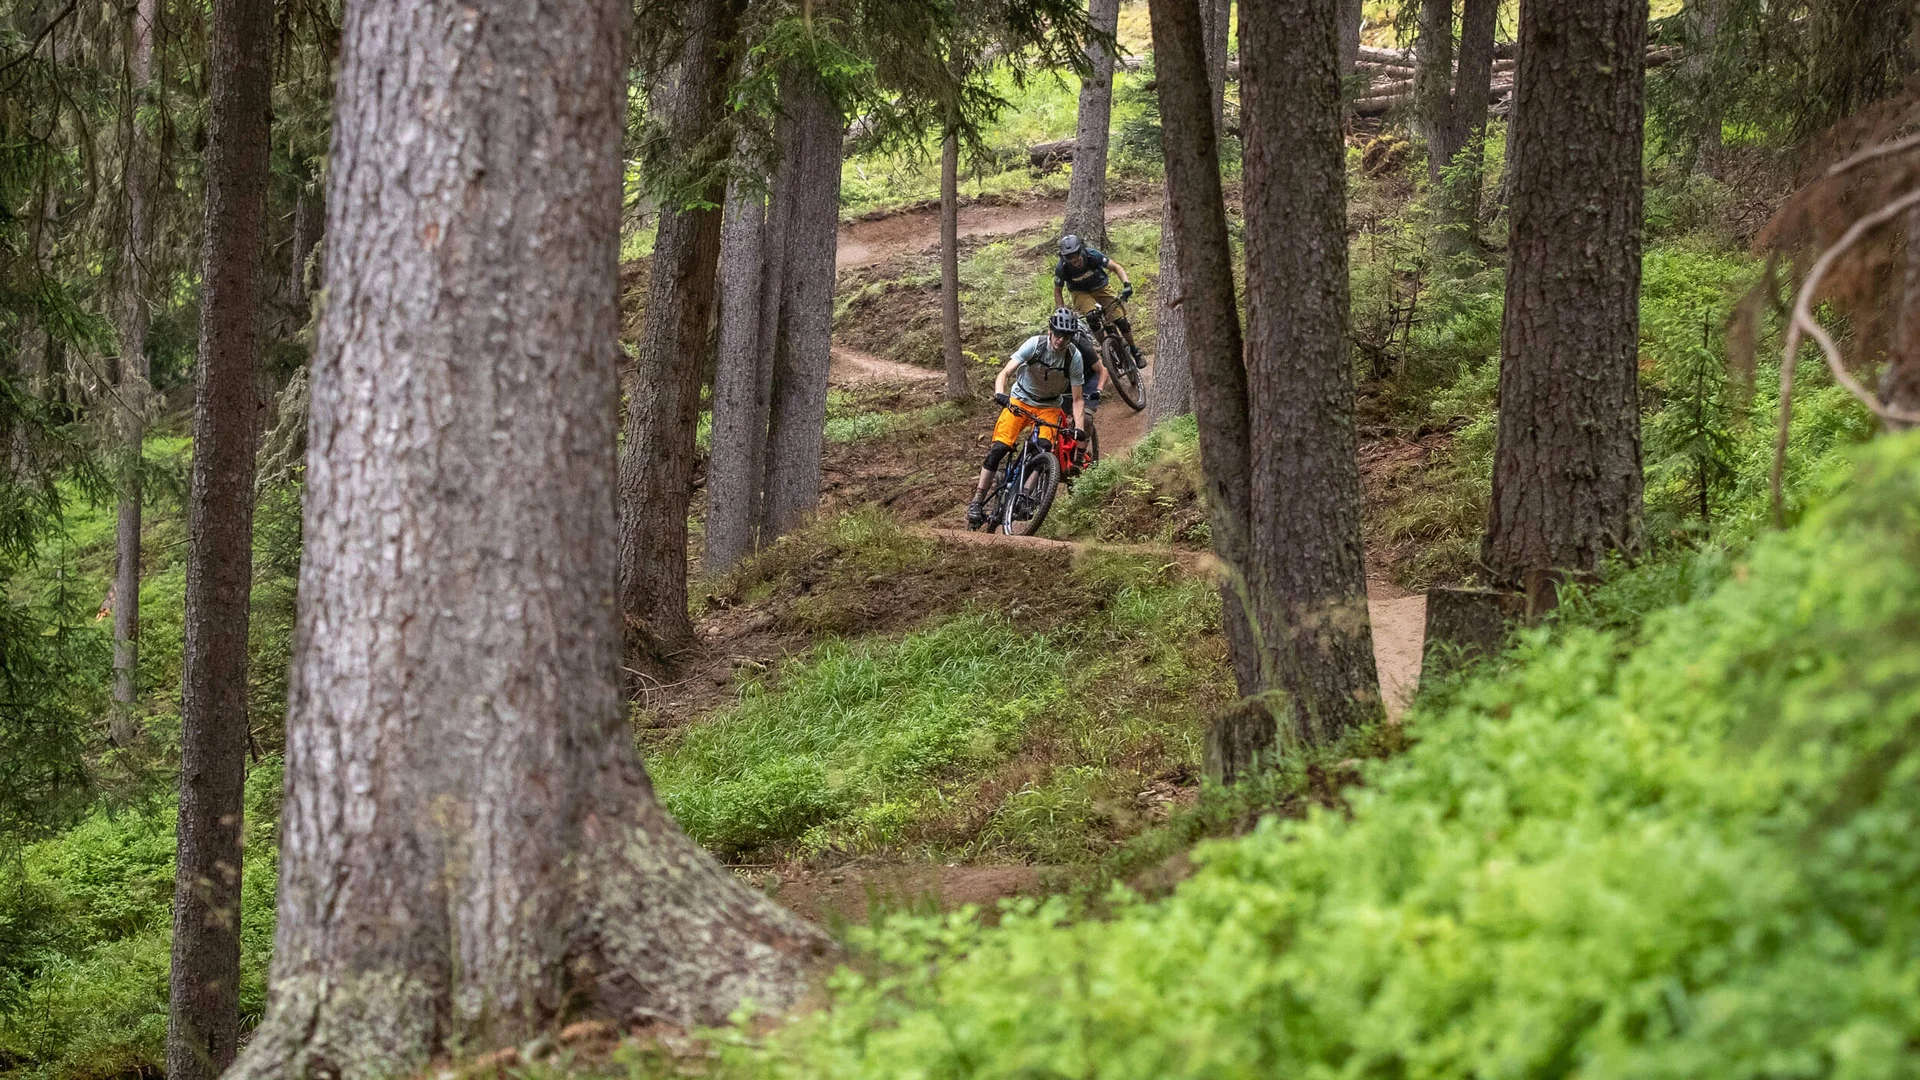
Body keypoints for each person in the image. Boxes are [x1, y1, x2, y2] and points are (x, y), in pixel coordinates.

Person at [967, 309, 1096, 529]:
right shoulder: (1034, 345)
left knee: (1044, 449)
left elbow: (1077, 399)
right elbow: (1005, 373)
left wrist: (1080, 428)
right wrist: (1000, 393)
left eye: (1066, 336)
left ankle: (1026, 495)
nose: (1060, 339)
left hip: (1049, 406)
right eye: (1057, 333)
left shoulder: (1073, 357)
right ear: (1050, 331)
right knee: (999, 449)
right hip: (1019, 401)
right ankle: (978, 500)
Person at [1054, 233, 1145, 366]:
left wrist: (1127, 284)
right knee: (1091, 317)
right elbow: (1057, 291)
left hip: (1101, 287)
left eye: (1076, 255)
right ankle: (1104, 348)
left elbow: (1116, 267)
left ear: (1081, 250)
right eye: (1069, 257)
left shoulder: (1092, 255)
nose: (1074, 260)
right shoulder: (1061, 268)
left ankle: (1134, 350)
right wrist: (1061, 311)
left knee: (1121, 320)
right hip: (1080, 292)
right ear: (1063, 257)